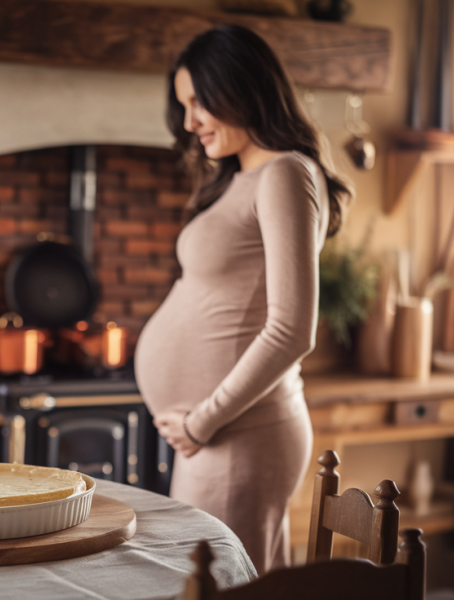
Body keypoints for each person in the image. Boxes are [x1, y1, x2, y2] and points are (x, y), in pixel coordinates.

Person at [134, 24, 352, 574]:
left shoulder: (284, 174)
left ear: (238, 85)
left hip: (238, 433)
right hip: (215, 436)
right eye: (182, 106)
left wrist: (203, 421)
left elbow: (291, 330)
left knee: (227, 586)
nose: (189, 122)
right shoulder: (244, 178)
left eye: (197, 101)